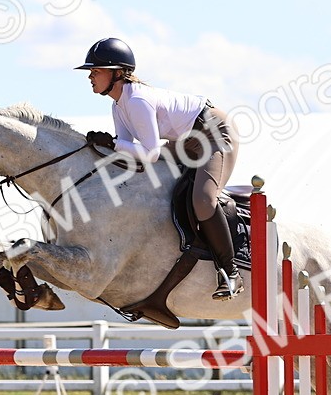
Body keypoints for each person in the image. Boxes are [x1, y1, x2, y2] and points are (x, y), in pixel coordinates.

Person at [75, 37, 242, 300]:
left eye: (96, 71)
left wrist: (114, 143)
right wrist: (104, 147)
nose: (90, 77)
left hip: (212, 133)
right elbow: (129, 154)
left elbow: (150, 153)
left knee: (203, 200)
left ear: (117, 73)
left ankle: (231, 272)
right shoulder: (118, 105)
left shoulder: (137, 100)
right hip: (183, 141)